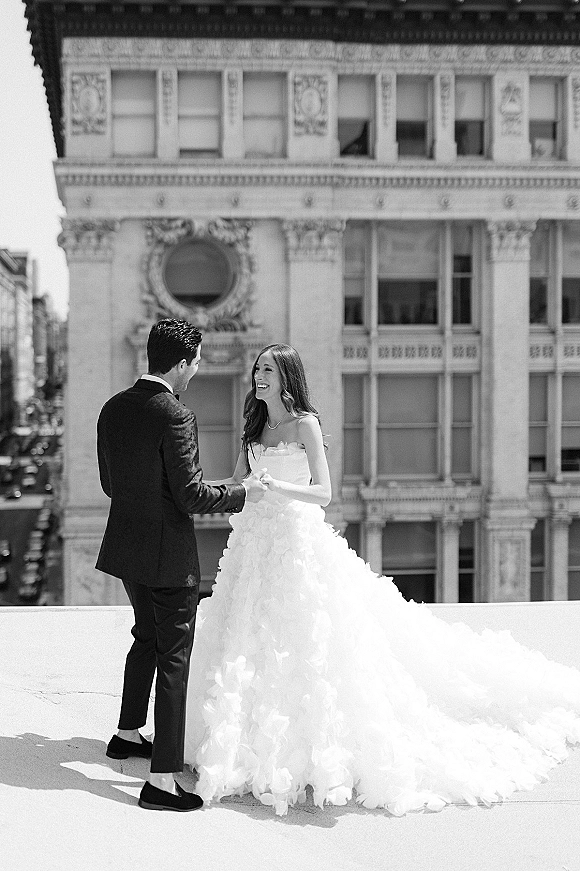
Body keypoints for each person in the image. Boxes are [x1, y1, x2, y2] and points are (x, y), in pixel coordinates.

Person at [183, 342, 580, 817]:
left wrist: (277, 488)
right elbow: (238, 480)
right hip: (254, 546)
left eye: (267, 369)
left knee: (306, 638)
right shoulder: (255, 426)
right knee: (247, 638)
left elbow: (324, 493)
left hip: (295, 541)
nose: (259, 376)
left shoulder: (306, 424)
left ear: (287, 375)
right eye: (257, 370)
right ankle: (242, 743)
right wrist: (231, 491)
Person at [96, 318, 266, 812]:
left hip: (127, 547)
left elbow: (111, 484)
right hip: (168, 554)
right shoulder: (175, 414)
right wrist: (242, 493)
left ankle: (128, 734)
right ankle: (162, 781)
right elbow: (191, 495)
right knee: (174, 654)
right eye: (196, 360)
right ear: (182, 362)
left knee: (145, 637)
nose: (198, 368)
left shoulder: (112, 408)